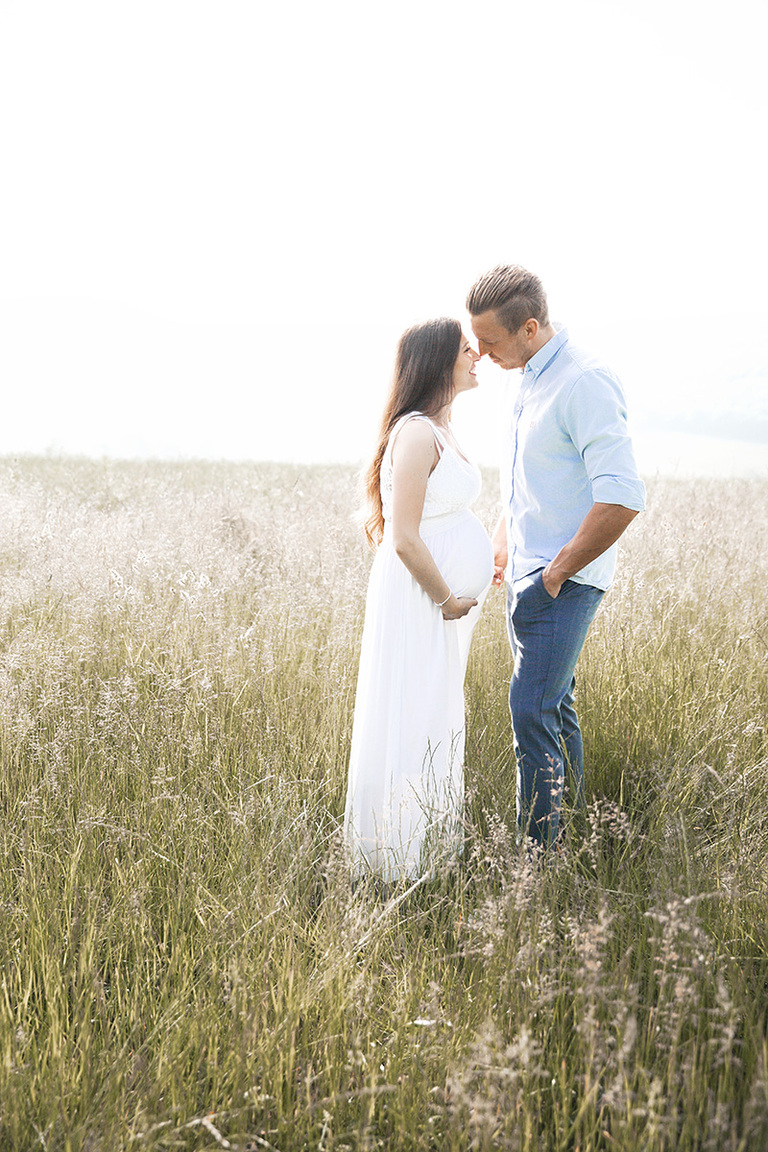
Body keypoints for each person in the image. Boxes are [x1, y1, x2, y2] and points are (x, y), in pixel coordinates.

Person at [466, 265, 646, 850]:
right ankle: (576, 841)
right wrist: (502, 541)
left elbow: (621, 496)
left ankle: (537, 862)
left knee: (531, 712)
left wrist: (558, 571)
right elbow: (534, 481)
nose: (482, 355)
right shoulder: (527, 377)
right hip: (527, 574)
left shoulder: (583, 380)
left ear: (530, 327)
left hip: (559, 583)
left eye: (491, 343)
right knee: (554, 708)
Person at [343, 318, 496, 884]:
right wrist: (448, 598)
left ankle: (425, 851)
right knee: (414, 714)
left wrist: (480, 563)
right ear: (438, 362)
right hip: (423, 602)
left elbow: (442, 519)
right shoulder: (415, 434)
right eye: (464, 349)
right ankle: (397, 861)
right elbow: (403, 536)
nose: (476, 355)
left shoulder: (441, 427)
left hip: (444, 603)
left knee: (435, 716)